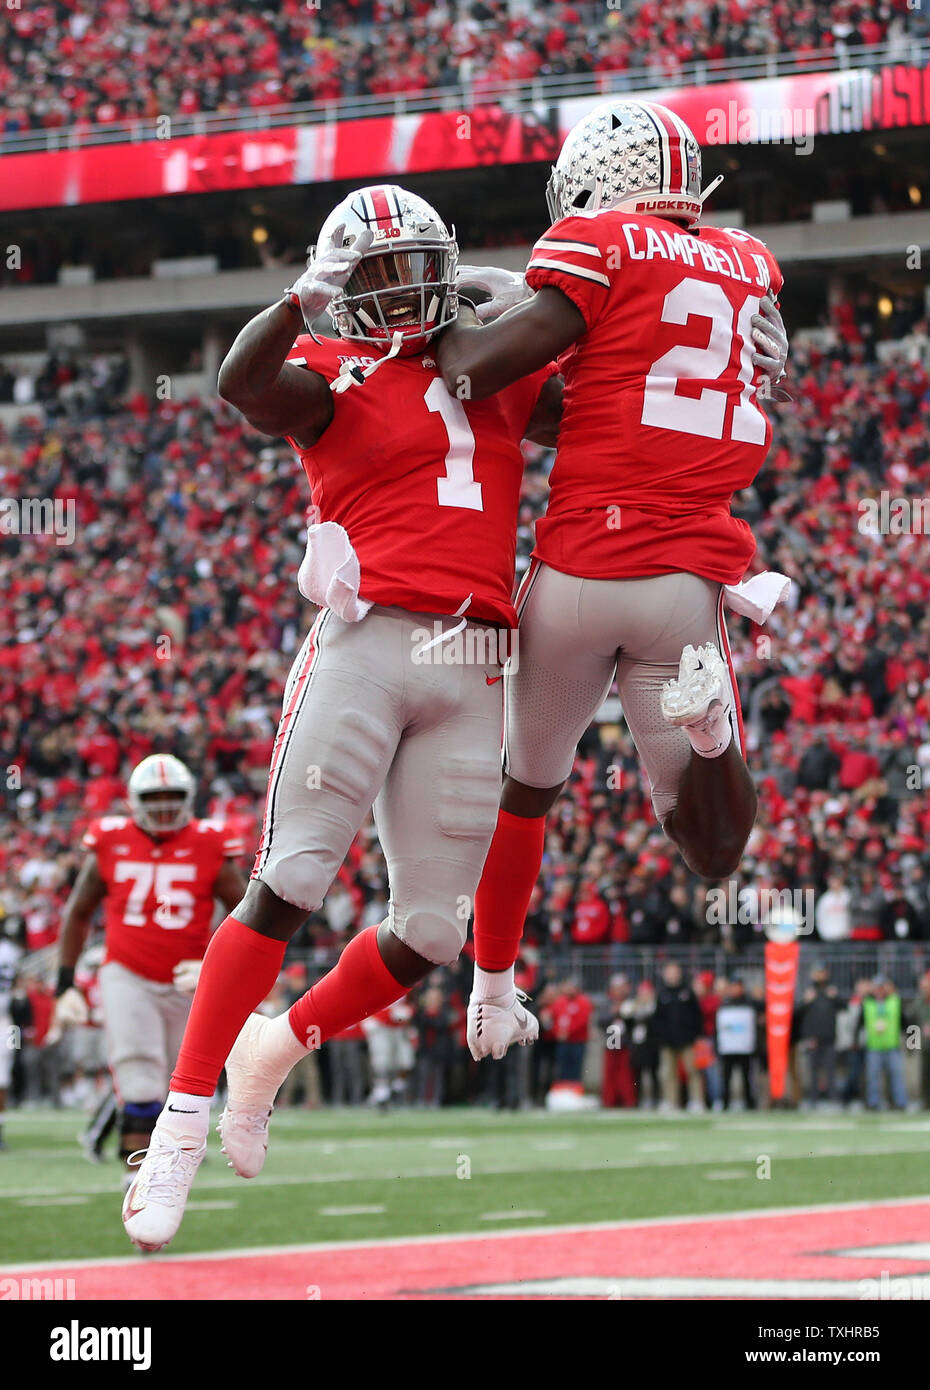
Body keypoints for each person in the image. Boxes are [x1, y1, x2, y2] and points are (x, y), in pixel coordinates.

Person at [122, 184, 561, 1251]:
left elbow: (588, 403)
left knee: (428, 931)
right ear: (338, 285)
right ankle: (178, 1124)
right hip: (369, 641)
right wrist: (291, 303)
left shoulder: (490, 365)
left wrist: (543, 305)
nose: (402, 286)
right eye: (373, 271)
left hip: (479, 656)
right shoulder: (327, 368)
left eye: (417, 264)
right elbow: (242, 386)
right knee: (294, 875)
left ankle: (274, 1050)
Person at [434, 98, 789, 1053]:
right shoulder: (749, 266)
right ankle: (711, 736)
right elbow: (605, 400)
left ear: (599, 181)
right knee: (713, 850)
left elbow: (472, 373)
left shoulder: (601, 244)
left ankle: (494, 987)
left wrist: (430, 312)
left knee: (528, 791)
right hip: (685, 583)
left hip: (579, 569)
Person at [54, 754, 245, 1183]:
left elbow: (246, 915)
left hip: (188, 978)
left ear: (189, 798)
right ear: (133, 800)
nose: (162, 807)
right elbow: (79, 912)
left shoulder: (210, 842)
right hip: (127, 972)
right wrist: (65, 983)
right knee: (139, 1078)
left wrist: (217, 965)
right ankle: (137, 1175)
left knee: (184, 1084)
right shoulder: (109, 839)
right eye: (153, 797)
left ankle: (168, 1169)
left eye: (171, 797)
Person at [652, 961, 704, 1112]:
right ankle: (670, 1101)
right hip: (667, 1041)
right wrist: (660, 1036)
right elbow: (657, 1019)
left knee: (692, 1071)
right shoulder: (662, 994)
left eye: (674, 972)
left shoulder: (688, 992)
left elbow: (696, 1015)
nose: (672, 975)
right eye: (669, 972)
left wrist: (696, 1035)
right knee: (667, 1073)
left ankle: (697, 1101)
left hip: (687, 1040)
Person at [863, 976, 909, 1111]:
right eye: (877, 987)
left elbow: (908, 1024)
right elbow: (858, 1024)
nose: (879, 990)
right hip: (874, 1047)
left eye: (882, 987)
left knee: (897, 1076)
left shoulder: (895, 1002)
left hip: (892, 1046)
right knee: (872, 1077)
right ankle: (873, 1103)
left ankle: (900, 1103)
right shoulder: (867, 1003)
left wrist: (913, 1045)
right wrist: (855, 1042)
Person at [715, 977, 758, 1110]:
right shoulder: (724, 1003)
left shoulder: (750, 1002)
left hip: (744, 1047)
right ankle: (725, 1103)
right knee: (726, 1077)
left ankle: (749, 1103)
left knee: (747, 1077)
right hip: (728, 1047)